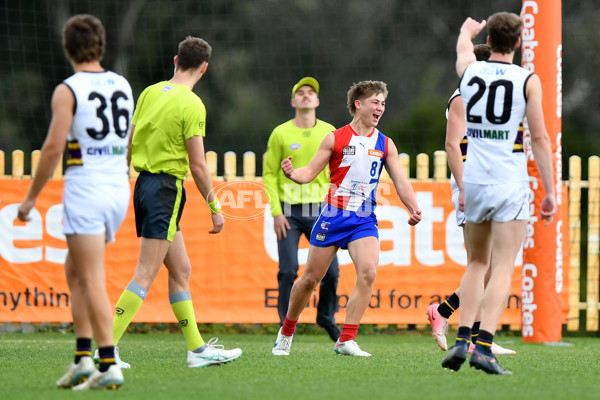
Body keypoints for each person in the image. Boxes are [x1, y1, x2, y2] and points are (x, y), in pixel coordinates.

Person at [108, 36, 242, 368]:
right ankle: (104, 348)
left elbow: (128, 144)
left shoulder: (150, 92)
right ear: (205, 67)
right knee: (144, 273)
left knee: (181, 269)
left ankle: (196, 350)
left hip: (144, 185)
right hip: (167, 188)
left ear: (175, 60)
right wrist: (215, 208)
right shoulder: (193, 104)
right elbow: (197, 165)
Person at [17, 14, 132, 390]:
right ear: (100, 44)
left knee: (91, 277)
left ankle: (108, 363)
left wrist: (31, 198)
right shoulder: (123, 85)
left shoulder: (68, 89)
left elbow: (52, 148)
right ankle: (84, 358)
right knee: (75, 271)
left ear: (68, 48)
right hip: (117, 188)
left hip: (86, 189)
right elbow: (128, 140)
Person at [272, 80, 422, 357]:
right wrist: (293, 173)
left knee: (368, 272)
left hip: (364, 218)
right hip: (332, 215)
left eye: (383, 104)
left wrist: (413, 207)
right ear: (359, 104)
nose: (380, 108)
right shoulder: (335, 137)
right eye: (376, 102)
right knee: (309, 280)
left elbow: (401, 181)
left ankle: (346, 340)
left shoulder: (386, 144)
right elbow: (308, 173)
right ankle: (287, 331)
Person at [441, 13, 556, 374]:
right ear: (518, 43)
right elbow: (538, 137)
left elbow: (462, 50)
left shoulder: (471, 72)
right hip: (508, 180)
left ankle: (461, 340)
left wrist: (465, 30)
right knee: (503, 265)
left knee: (477, 263)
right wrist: (550, 191)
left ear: (488, 42)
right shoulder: (528, 80)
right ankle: (484, 346)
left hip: (473, 178)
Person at [426, 44, 516, 356]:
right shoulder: (461, 98)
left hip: (489, 185)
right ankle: (473, 335)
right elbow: (453, 147)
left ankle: (446, 313)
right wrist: (463, 188)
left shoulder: (482, 99)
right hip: (470, 187)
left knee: (488, 265)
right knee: (481, 264)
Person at [263, 77, 341, 342]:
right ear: (293, 101)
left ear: (317, 101)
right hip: (289, 212)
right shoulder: (280, 133)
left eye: (311, 93)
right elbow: (269, 175)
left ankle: (326, 316)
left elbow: (338, 169)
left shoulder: (329, 131)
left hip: (322, 211)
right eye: (301, 93)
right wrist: (276, 212)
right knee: (288, 270)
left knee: (331, 272)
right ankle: (285, 327)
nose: (306, 96)